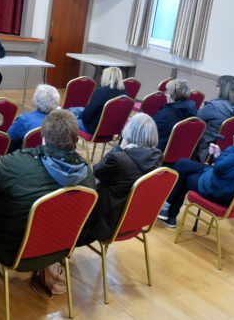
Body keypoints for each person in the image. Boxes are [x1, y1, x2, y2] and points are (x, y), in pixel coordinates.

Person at [0, 109, 94, 268]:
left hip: (8, 249)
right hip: (58, 249)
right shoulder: (87, 175)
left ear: (43, 137)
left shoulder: (14, 163)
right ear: (76, 138)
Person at [158, 105, 234, 227]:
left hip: (224, 191)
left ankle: (168, 213)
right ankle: (167, 211)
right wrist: (220, 155)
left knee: (186, 176)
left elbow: (219, 168)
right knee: (183, 163)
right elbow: (231, 167)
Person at [79, 113, 163, 244]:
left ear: (129, 132)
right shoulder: (156, 158)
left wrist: (119, 148)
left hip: (102, 223)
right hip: (132, 221)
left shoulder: (119, 159)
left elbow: (92, 176)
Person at [196, 75, 234, 162]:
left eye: (217, 86)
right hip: (228, 152)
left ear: (222, 89)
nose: (216, 88)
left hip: (208, 151)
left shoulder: (213, 106)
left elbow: (195, 121)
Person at [7, 84, 60, 152]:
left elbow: (7, 145)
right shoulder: (61, 122)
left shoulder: (24, 120)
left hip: (25, 159)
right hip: (50, 160)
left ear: (35, 101)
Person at [77, 67, 126, 135]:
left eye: (102, 75)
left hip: (95, 129)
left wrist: (78, 118)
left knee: (68, 118)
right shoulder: (124, 92)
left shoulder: (101, 92)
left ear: (106, 77)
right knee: (76, 110)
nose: (101, 78)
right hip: (113, 129)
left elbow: (87, 115)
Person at [152, 79, 198, 152]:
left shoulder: (165, 115)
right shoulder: (193, 112)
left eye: (166, 92)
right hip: (181, 153)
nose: (165, 94)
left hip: (158, 153)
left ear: (171, 95)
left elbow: (149, 132)